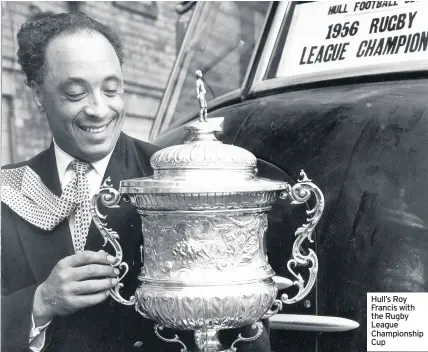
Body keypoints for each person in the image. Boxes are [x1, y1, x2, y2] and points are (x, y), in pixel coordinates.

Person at [1, 12, 271, 352]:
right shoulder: (8, 192)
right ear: (38, 95)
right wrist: (40, 303)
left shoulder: (177, 182)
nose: (99, 109)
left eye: (111, 89)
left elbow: (244, 321)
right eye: (74, 94)